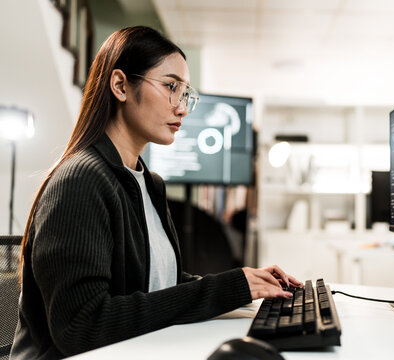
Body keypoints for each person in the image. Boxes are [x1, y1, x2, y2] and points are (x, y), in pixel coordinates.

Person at [10, 26, 302, 359]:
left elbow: (159, 284)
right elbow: (82, 326)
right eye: (170, 87)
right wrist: (227, 289)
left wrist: (242, 283)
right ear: (120, 85)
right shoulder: (80, 181)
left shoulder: (149, 183)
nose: (181, 108)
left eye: (185, 94)